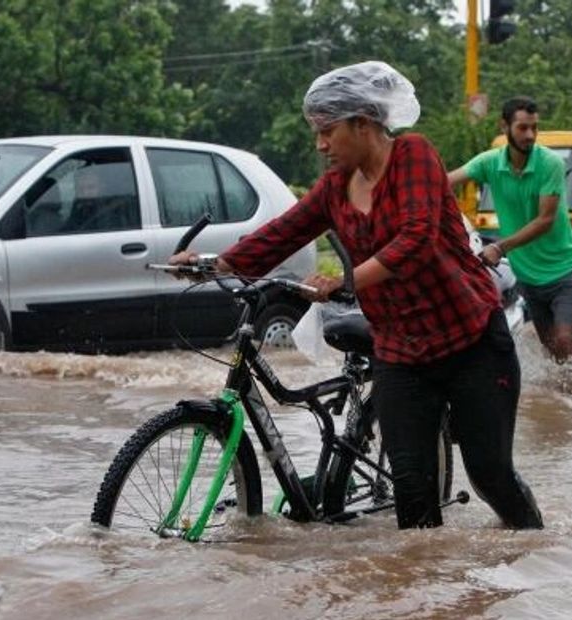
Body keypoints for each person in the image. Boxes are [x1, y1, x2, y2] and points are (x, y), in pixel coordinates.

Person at [169, 61, 543, 530]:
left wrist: (347, 282)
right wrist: (213, 263)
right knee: (411, 489)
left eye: (327, 131)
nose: (320, 145)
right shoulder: (334, 190)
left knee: (491, 476)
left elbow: (417, 238)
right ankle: (426, 598)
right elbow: (282, 233)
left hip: (471, 343)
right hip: (402, 353)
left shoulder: (414, 156)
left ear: (362, 123)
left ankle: (532, 554)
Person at [447, 96, 572, 364]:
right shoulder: (489, 163)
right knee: (550, 349)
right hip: (529, 276)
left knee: (565, 339)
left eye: (534, 127)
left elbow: (545, 220)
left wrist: (500, 247)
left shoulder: (551, 165)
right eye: (522, 128)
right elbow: (445, 181)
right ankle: (560, 404)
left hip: (564, 270)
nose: (530, 135)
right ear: (504, 126)